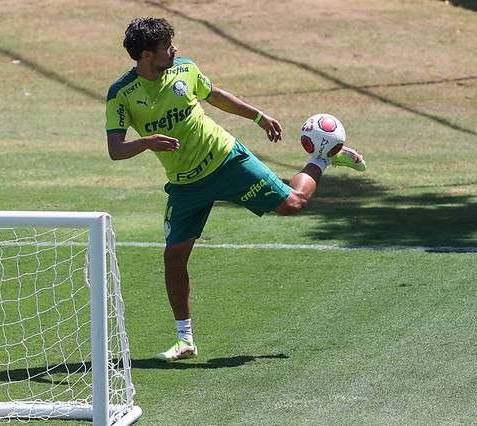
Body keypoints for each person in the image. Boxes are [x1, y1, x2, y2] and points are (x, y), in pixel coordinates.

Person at [104, 18, 365, 362]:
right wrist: (147, 142)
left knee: (293, 203)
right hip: (185, 185)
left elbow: (214, 96)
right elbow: (115, 149)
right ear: (147, 54)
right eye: (169, 46)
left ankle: (324, 156)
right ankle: (185, 340)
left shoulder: (184, 69)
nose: (175, 49)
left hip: (226, 159)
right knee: (173, 258)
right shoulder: (122, 93)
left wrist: (258, 116)